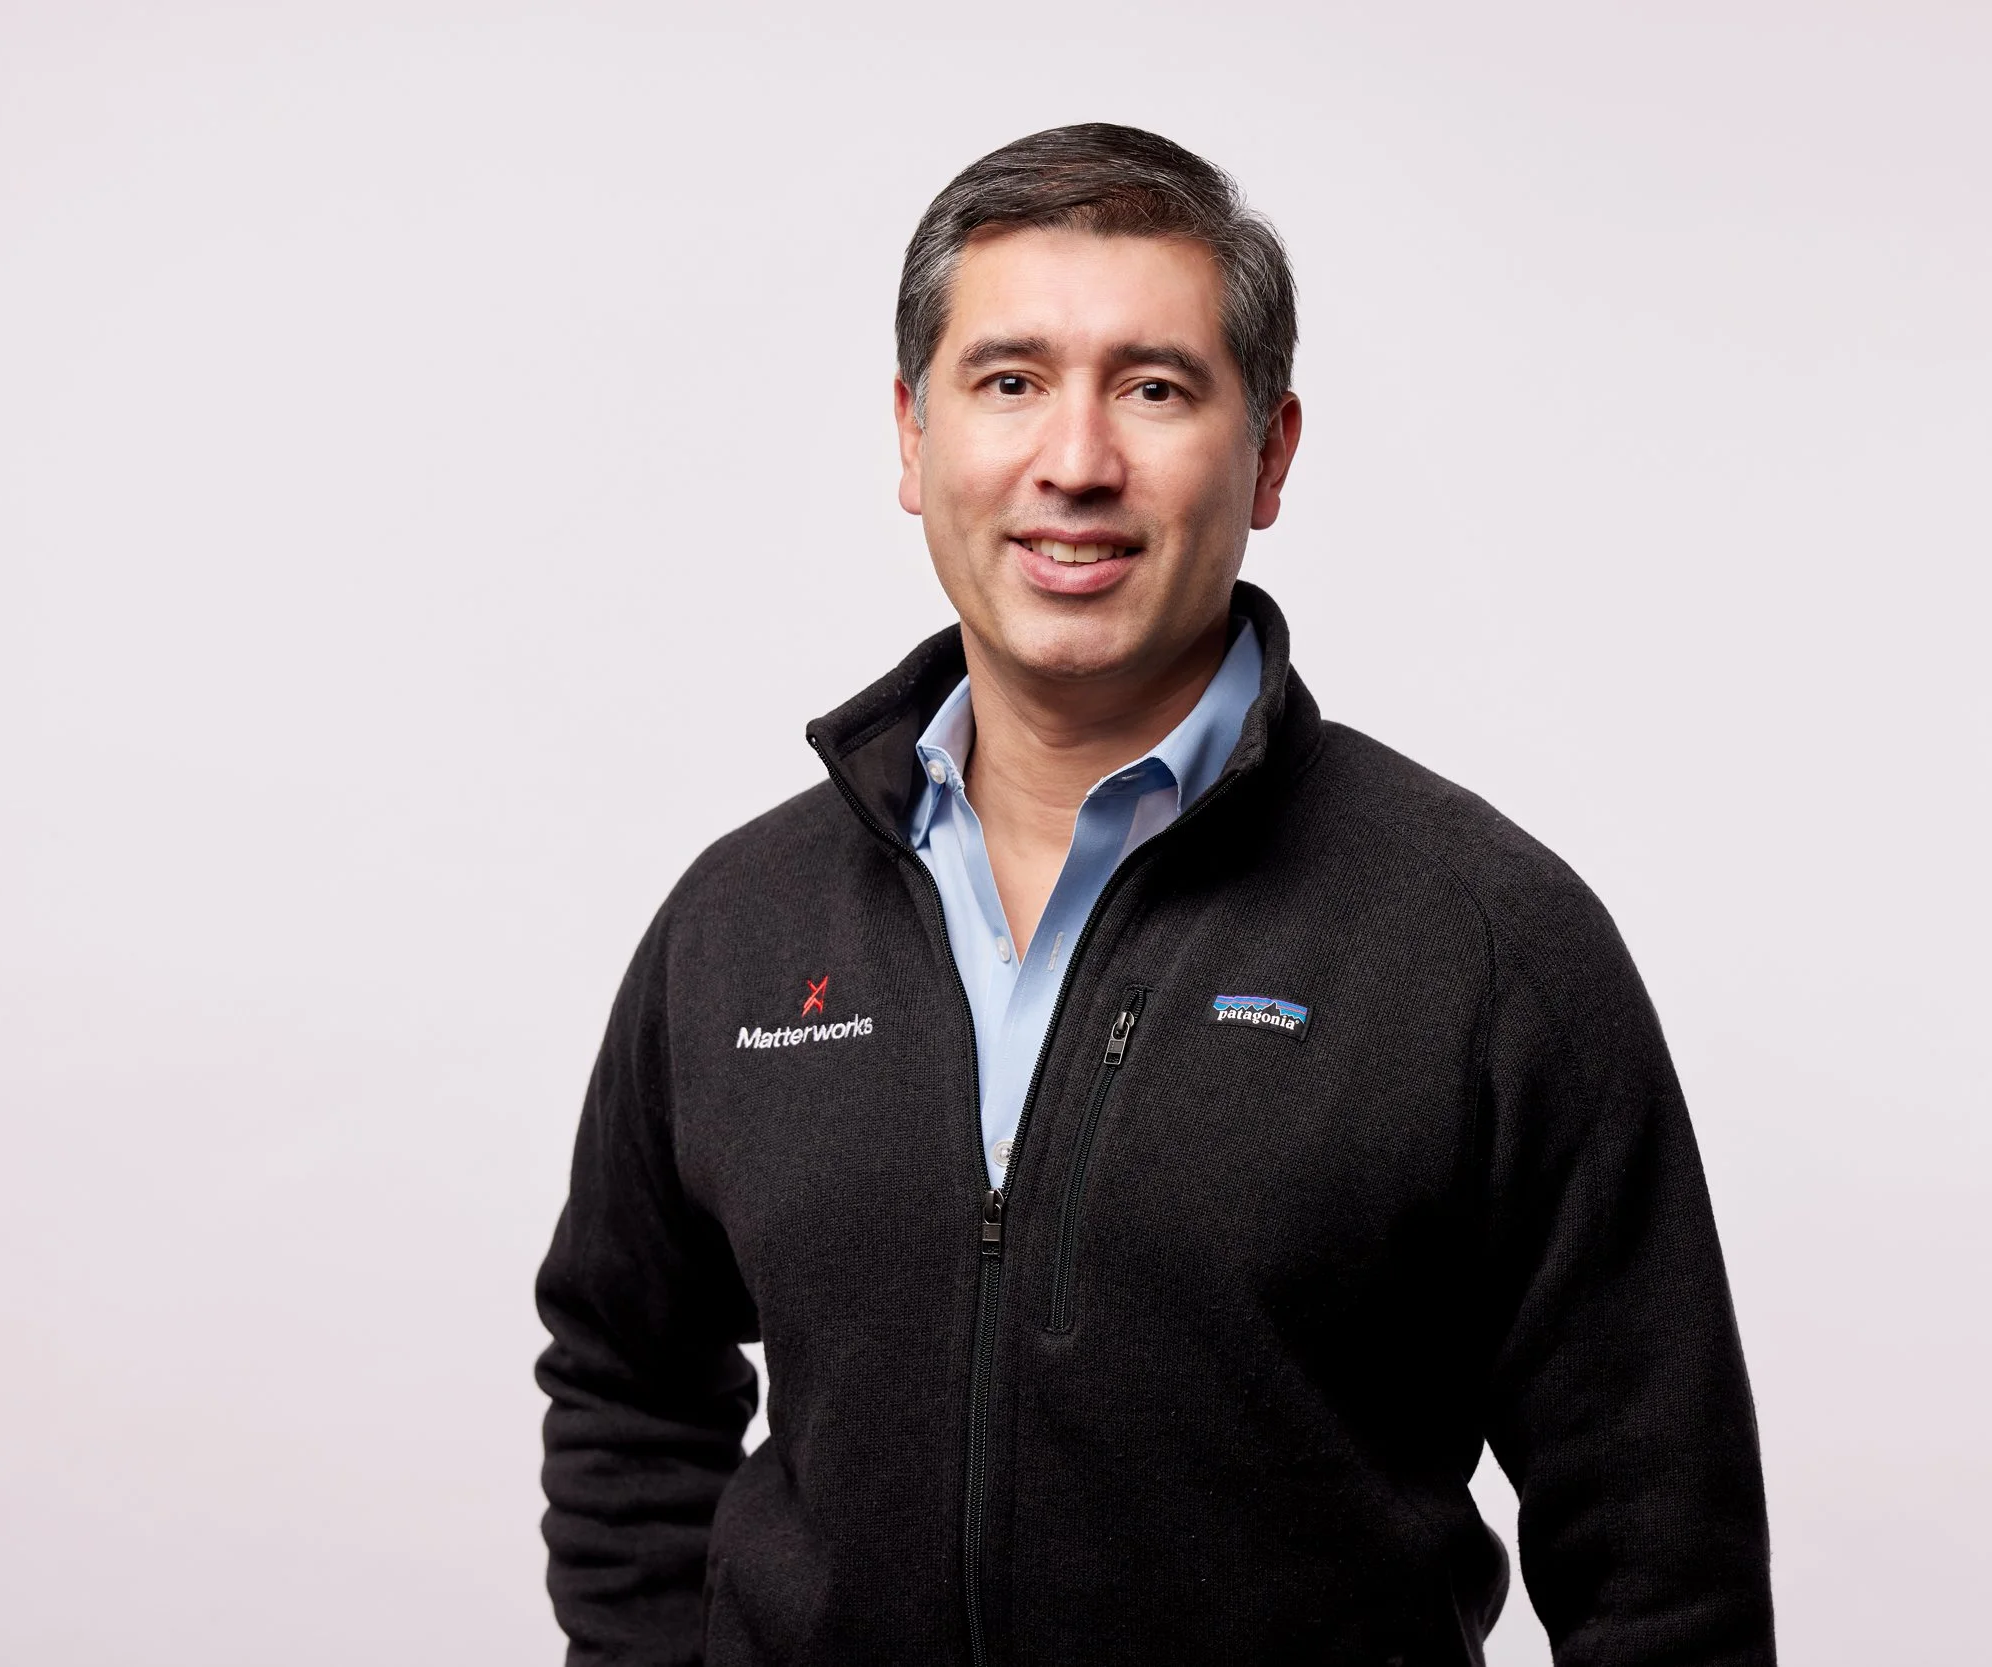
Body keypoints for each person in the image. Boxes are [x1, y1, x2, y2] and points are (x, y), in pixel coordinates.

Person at [535, 123, 1773, 1667]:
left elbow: (1665, 1561)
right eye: (1009, 380)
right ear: (913, 440)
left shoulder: (1489, 943)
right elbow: (626, 1373)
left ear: (1269, 455)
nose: (1075, 460)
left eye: (1155, 385)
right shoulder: (740, 925)